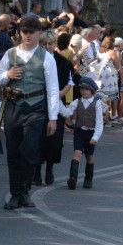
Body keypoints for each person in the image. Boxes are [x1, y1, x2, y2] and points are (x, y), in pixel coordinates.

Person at [0, 15, 61, 210]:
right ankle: (15, 194)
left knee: (30, 149)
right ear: (19, 32)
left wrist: (53, 118)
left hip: (36, 106)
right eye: (24, 32)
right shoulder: (10, 54)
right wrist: (7, 75)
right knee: (14, 151)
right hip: (14, 106)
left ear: (39, 34)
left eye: (31, 32)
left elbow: (53, 89)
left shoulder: (47, 57)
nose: (27, 36)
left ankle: (24, 191)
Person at [36, 30, 73, 186]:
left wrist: (58, 94)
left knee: (54, 140)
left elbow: (69, 83)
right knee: (37, 138)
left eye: (50, 44)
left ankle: (49, 167)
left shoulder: (63, 62)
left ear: (55, 45)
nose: (47, 46)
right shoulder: (34, 60)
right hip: (38, 103)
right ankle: (36, 170)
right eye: (44, 44)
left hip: (56, 103)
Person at [59, 79, 105, 190]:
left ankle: (88, 179)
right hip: (79, 132)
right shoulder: (77, 102)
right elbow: (67, 113)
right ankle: (73, 178)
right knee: (77, 153)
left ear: (92, 91)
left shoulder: (97, 104)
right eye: (82, 89)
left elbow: (99, 123)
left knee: (89, 156)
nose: (84, 92)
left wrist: (95, 137)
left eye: (87, 89)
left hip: (91, 132)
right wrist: (59, 102)